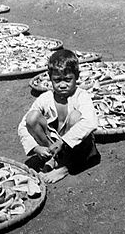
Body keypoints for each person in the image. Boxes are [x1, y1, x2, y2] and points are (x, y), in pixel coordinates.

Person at [18, 49, 100, 184]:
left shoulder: (81, 96)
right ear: (50, 78)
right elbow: (23, 125)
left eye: (68, 79)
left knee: (75, 117)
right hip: (55, 143)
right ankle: (53, 157)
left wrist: (63, 142)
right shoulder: (45, 98)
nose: (62, 85)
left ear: (77, 76)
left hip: (78, 145)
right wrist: (36, 148)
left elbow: (90, 122)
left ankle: (65, 166)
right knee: (32, 117)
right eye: (57, 80)